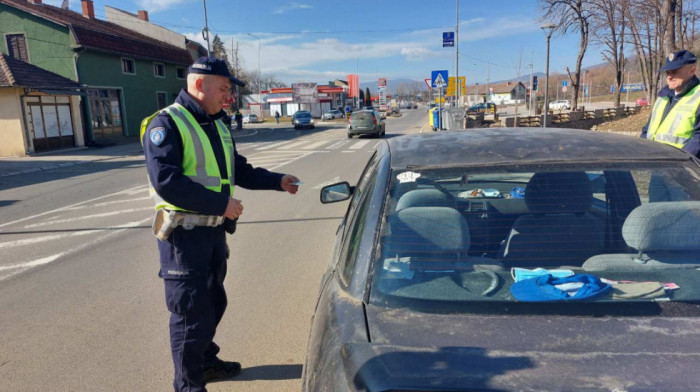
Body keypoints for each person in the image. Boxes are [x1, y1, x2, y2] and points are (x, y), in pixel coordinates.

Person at [140, 56, 300, 392]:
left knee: (213, 304)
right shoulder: (167, 124)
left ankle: (206, 362)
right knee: (189, 316)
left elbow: (237, 169)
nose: (228, 96)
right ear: (199, 85)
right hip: (183, 238)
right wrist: (221, 203)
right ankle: (189, 386)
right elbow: (166, 181)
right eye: (224, 89)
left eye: (229, 90)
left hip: (212, 234)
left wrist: (277, 181)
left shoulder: (217, 124)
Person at [641, 49, 700, 158]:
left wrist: (679, 161)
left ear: (692, 70)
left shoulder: (697, 96)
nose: (669, 76)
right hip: (655, 164)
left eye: (675, 72)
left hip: (684, 168)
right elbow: (647, 129)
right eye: (668, 72)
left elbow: (698, 139)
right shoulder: (663, 97)